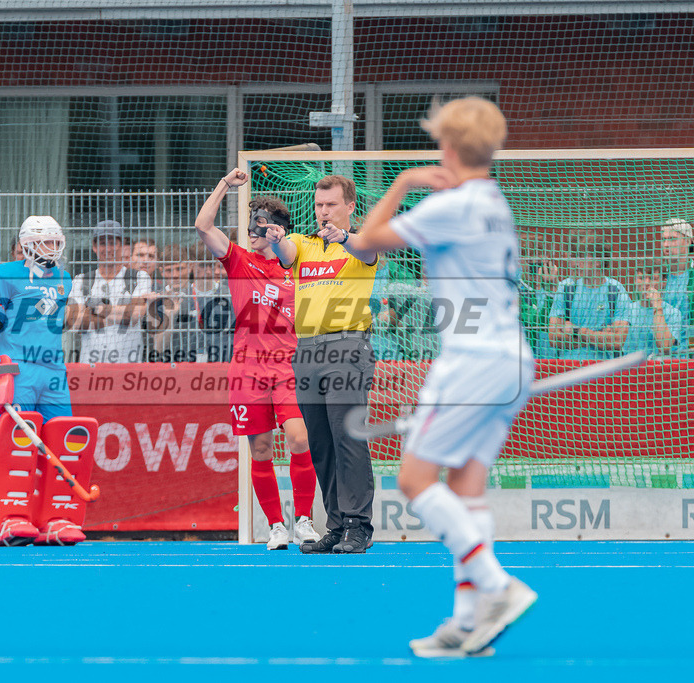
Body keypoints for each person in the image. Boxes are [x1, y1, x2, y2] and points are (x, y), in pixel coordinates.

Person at [349, 96, 537, 658]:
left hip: (473, 361)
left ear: (448, 148)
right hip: (510, 359)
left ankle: (497, 586)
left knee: (413, 480)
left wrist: (404, 181)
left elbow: (363, 242)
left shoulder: (451, 206)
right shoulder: (493, 201)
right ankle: (465, 623)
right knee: (465, 488)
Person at [192, 170, 320, 549]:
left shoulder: (294, 267)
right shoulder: (238, 261)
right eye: (251, 225)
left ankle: (303, 519)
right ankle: (276, 526)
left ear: (278, 231)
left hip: (287, 367)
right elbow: (202, 225)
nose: (251, 231)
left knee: (299, 439)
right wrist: (224, 186)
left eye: (259, 225)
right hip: (246, 370)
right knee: (260, 450)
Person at [265, 174, 379, 554]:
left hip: (347, 347)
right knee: (321, 442)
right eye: (319, 205)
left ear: (349, 206)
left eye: (331, 204)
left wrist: (344, 238)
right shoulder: (305, 243)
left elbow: (367, 253)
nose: (324, 211)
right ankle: (335, 523)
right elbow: (286, 254)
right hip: (309, 350)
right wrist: (277, 239)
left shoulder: (360, 242)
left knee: (348, 438)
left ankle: (358, 525)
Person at [0, 216, 96, 546]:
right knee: (18, 443)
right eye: (47, 241)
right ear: (27, 244)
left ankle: (56, 518)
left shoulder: (65, 278)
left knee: (63, 442)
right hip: (20, 369)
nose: (54, 248)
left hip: (54, 370)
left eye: (57, 241)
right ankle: (7, 519)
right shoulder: (5, 274)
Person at [65, 220, 152, 363]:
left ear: (123, 246)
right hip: (91, 368)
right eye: (102, 243)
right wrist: (122, 314)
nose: (108, 249)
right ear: (94, 247)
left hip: (130, 367)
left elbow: (135, 315)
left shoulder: (139, 277)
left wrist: (95, 309)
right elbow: (76, 323)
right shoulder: (81, 281)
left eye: (113, 243)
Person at [547, 247, 630, 360]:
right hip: (569, 369)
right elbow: (553, 338)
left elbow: (617, 341)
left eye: (582, 257)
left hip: (604, 372)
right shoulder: (566, 287)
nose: (577, 263)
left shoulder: (616, 289)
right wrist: (599, 337)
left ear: (597, 261)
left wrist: (577, 331)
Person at [623, 268, 686, 355]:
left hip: (659, 366)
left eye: (653, 278)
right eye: (641, 278)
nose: (646, 283)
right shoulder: (626, 310)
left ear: (664, 282)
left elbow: (665, 347)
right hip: (631, 367)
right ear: (635, 281)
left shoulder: (673, 313)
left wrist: (657, 305)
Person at [660, 218, 694, 355]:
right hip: (660, 356)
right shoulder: (656, 276)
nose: (666, 244)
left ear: (688, 241)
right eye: (664, 239)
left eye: (672, 239)